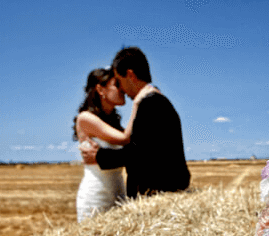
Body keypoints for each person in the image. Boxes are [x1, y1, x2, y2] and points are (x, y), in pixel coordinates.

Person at [81, 47, 190, 197]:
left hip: (159, 194)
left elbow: (139, 152)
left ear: (130, 75)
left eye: (119, 81)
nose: (122, 90)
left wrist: (100, 156)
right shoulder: (155, 101)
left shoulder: (151, 103)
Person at [74, 67, 140, 221]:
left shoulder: (114, 122)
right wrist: (138, 102)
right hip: (96, 197)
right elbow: (125, 139)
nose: (123, 89)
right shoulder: (85, 118)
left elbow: (134, 146)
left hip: (118, 193)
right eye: (117, 85)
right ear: (100, 89)